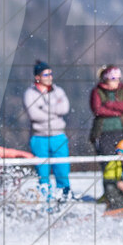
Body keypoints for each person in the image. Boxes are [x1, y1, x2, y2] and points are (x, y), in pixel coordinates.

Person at [23, 61, 72, 200]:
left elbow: (65, 108)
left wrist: (44, 109)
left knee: (62, 171)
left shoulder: (59, 91)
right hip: (39, 138)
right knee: (43, 174)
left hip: (59, 136)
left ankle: (65, 199)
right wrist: (54, 113)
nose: (50, 77)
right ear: (38, 77)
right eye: (46, 74)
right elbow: (34, 115)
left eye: (51, 73)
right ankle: (46, 202)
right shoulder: (29, 94)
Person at [90, 66, 123, 156]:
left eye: (118, 78)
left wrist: (109, 104)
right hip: (103, 132)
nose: (117, 81)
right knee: (108, 162)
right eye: (113, 78)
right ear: (106, 78)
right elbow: (98, 110)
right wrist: (118, 111)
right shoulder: (97, 91)